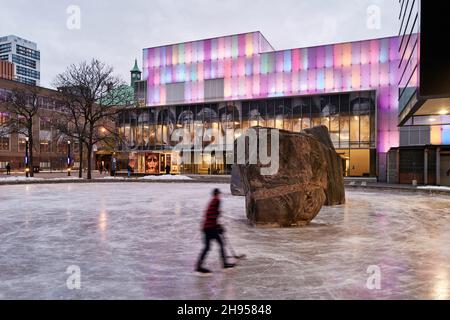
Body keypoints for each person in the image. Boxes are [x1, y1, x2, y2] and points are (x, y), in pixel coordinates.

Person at [196, 189, 235, 275]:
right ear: (217, 194)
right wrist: (217, 226)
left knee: (207, 247)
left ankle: (198, 266)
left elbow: (211, 215)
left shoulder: (212, 201)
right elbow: (212, 215)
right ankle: (224, 264)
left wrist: (217, 225)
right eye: (219, 194)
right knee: (220, 244)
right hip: (210, 228)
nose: (220, 196)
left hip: (206, 227)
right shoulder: (216, 200)